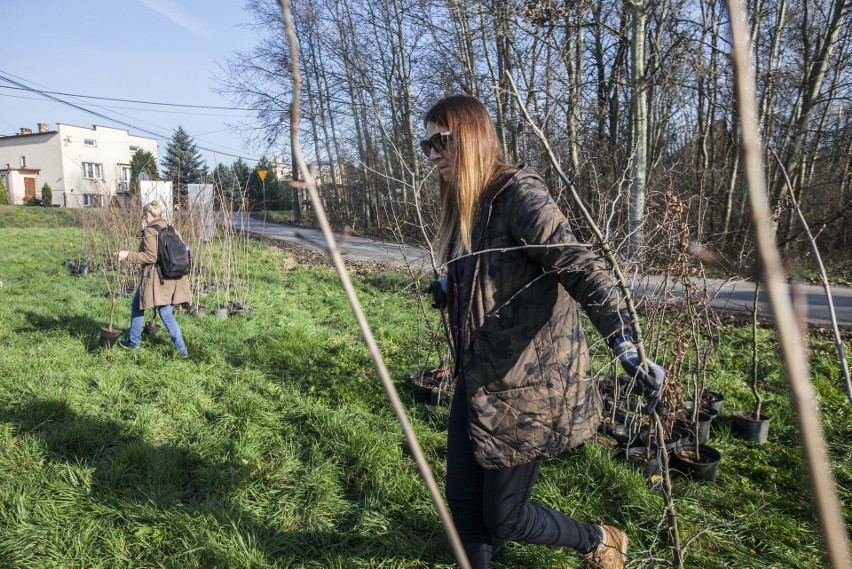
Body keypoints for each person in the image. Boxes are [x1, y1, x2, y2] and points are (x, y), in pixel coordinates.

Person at [422, 95, 665, 569]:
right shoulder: (466, 205)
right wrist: (447, 283)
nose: (431, 154)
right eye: (426, 143)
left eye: (440, 141)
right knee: (464, 503)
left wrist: (625, 342)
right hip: (477, 376)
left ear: (469, 139)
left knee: (506, 518)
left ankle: (600, 539)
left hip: (526, 386)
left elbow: (579, 265)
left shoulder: (517, 194)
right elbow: (484, 271)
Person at [116, 201, 190, 358]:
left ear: (147, 215)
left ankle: (134, 342)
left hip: (157, 280)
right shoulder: (172, 228)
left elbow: (150, 256)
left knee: (144, 308)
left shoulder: (150, 231)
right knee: (158, 311)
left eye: (144, 215)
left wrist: (127, 254)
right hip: (172, 277)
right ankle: (181, 349)